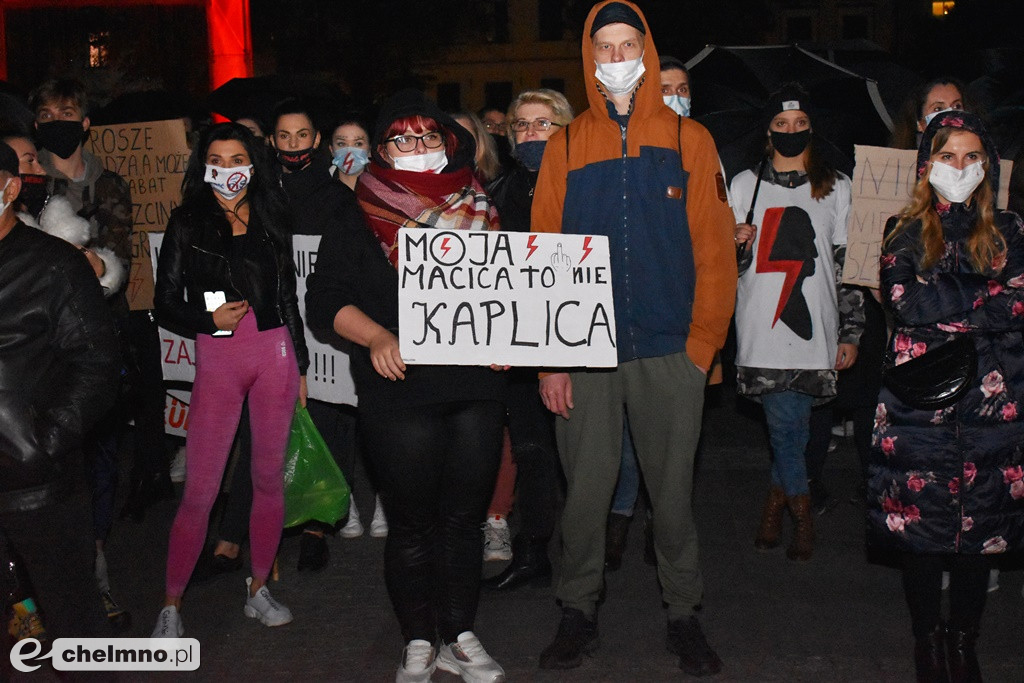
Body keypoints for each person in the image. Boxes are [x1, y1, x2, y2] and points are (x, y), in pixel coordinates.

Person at [530, 2, 736, 675]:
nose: (617, 59)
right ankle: (577, 609)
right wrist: (549, 360)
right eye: (605, 47)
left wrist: (703, 344)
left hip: (670, 349)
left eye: (628, 45)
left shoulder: (688, 139)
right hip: (584, 354)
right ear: (590, 60)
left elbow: (714, 251)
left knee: (672, 497)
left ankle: (684, 612)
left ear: (646, 52)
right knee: (585, 494)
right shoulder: (564, 145)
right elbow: (544, 257)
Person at [306, 89, 506, 683]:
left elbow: (515, 295)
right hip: (399, 388)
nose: (417, 148)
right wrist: (373, 338)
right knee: (413, 522)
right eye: (402, 138)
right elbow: (325, 304)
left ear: (448, 142)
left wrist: (511, 340)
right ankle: (418, 638)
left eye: (428, 136)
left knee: (463, 520)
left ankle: (460, 633)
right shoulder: (354, 211)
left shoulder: (484, 206)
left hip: (474, 387)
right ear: (382, 146)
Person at [869, 110, 1024, 682]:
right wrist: (988, 293)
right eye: (947, 155)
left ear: (987, 166)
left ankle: (964, 641)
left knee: (978, 534)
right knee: (923, 532)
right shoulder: (901, 230)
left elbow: (1020, 304)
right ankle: (927, 639)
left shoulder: (1012, 230)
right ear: (926, 164)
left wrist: (950, 301)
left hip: (995, 405)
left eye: (971, 156)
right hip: (920, 406)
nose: (959, 167)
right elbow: (907, 303)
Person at [152, 122, 308, 637]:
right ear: (203, 166)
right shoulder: (186, 222)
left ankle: (258, 587)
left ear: (253, 162)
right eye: (216, 160)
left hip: (275, 357)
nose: (227, 170)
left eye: (236, 158)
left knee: (266, 479)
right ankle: (171, 605)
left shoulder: (270, 215)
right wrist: (209, 321)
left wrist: (301, 364)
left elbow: (288, 298)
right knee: (200, 488)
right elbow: (164, 303)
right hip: (218, 359)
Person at [731, 84, 863, 561]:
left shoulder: (836, 186)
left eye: (800, 123)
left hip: (817, 329)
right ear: (767, 130)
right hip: (761, 328)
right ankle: (802, 516)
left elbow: (849, 267)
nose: (791, 131)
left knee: (795, 428)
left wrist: (851, 331)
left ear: (812, 128)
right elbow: (725, 272)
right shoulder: (743, 186)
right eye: (781, 124)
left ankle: (774, 504)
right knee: (788, 425)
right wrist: (737, 246)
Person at [0, 140, 120, 660]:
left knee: (74, 625)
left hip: (37, 486)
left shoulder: (53, 266)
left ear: (8, 188)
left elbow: (96, 367)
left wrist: (41, 444)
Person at [607, 51, 697, 572]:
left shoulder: (700, 146)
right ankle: (619, 515)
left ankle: (660, 532)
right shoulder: (622, 149)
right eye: (664, 88)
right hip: (620, 321)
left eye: (682, 88)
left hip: (674, 329)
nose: (673, 97)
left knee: (666, 450)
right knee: (619, 440)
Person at [481, 88, 572, 591]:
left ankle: (586, 551)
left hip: (581, 343)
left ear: (565, 128)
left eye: (543, 123)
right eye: (521, 125)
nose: (531, 133)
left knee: (580, 455)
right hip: (519, 343)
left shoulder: (586, 182)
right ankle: (534, 548)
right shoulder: (497, 190)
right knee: (533, 450)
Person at [890, 77, 969, 151]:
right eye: (938, 109)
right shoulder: (906, 162)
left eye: (957, 106)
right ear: (920, 124)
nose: (950, 114)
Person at [452, 110, 502, 184]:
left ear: (479, 139)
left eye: (466, 136)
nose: (460, 144)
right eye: (452, 138)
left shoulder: (502, 181)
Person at [328, 117, 372, 192]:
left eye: (358, 144)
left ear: (369, 150)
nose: (349, 151)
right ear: (331, 150)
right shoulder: (318, 188)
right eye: (341, 144)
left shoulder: (385, 187)